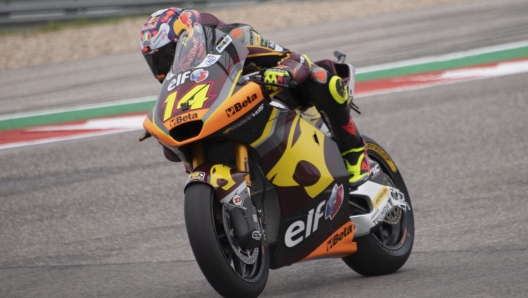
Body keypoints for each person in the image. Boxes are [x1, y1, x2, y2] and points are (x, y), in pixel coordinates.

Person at [139, 7, 370, 188]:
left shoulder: (236, 36)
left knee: (320, 77)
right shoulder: (179, 83)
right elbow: (171, 152)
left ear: (187, 39)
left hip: (281, 101)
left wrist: (283, 72)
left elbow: (297, 60)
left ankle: (354, 153)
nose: (163, 67)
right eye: (155, 62)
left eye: (166, 56)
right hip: (228, 117)